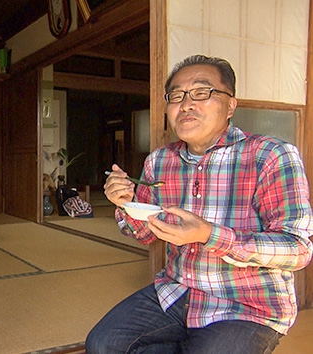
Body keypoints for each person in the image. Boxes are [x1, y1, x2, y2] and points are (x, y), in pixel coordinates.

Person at [86, 54, 313, 354]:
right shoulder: (160, 161)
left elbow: (298, 249)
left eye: (202, 92)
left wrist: (209, 234)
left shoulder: (271, 156)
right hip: (177, 290)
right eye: (176, 96)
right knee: (102, 344)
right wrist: (127, 203)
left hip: (247, 304)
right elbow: (145, 234)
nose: (186, 104)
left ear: (231, 105)